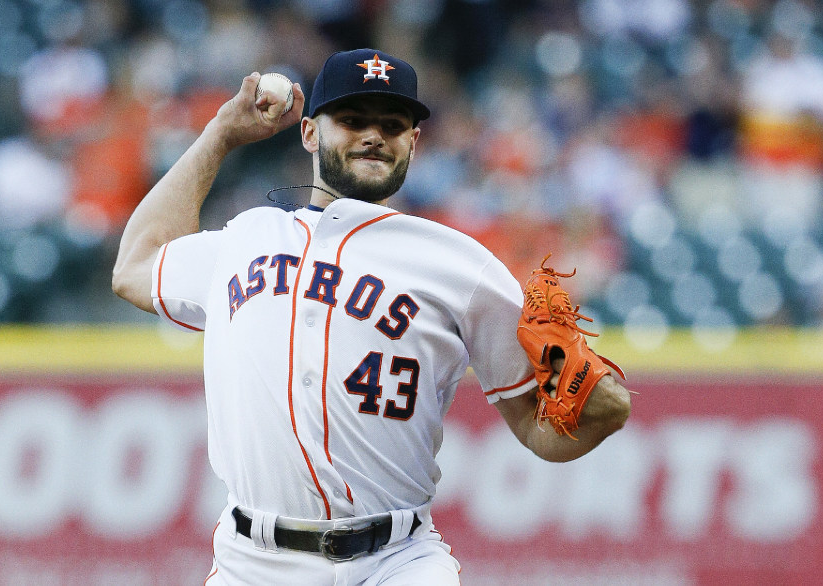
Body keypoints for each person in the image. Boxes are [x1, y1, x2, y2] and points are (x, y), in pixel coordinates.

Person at [112, 48, 631, 585]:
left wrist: (603, 410)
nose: (373, 135)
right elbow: (135, 265)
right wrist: (220, 134)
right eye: (353, 120)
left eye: (392, 124)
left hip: (396, 561)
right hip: (253, 564)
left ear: (414, 142)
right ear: (310, 133)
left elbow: (537, 429)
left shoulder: (462, 265)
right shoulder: (248, 237)